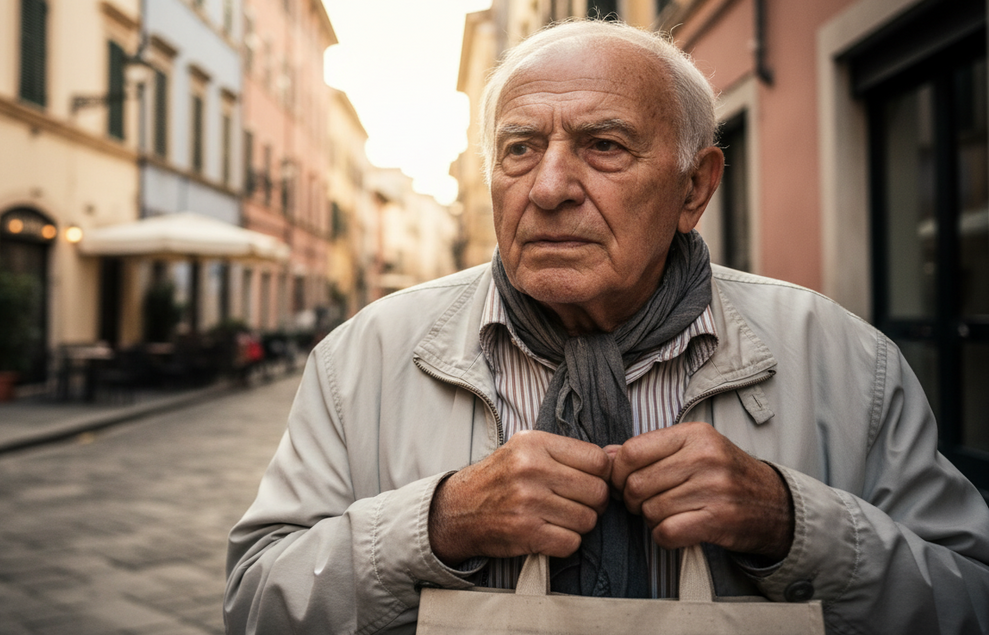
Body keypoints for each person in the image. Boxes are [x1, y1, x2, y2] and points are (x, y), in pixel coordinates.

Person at [224, 19, 989, 635]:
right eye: (520, 148)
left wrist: (794, 523)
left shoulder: (845, 359)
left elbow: (970, 598)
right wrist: (435, 522)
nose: (550, 186)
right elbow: (258, 602)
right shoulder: (363, 357)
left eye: (604, 146)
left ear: (695, 188)